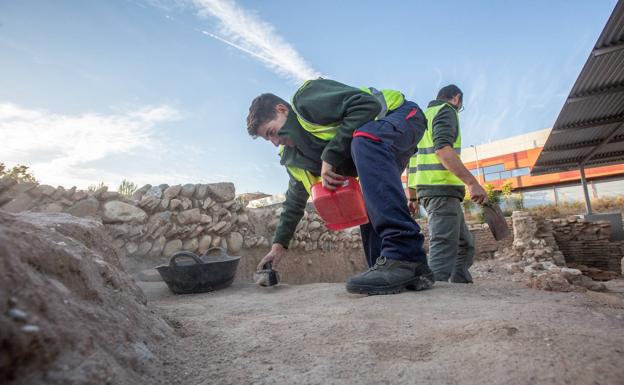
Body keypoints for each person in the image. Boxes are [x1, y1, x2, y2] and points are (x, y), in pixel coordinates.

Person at [246, 78, 434, 295]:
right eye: (267, 139)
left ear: (282, 110)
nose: (275, 142)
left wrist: (330, 156)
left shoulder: (306, 101)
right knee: (367, 196)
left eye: (271, 132)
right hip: (375, 143)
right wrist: (277, 247)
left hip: (400, 116)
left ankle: (405, 256)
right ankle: (393, 268)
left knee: (364, 140)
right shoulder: (294, 158)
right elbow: (293, 204)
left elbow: (367, 105)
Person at [407, 84, 487, 283]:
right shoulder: (446, 111)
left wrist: (412, 195)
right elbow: (442, 149)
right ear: (457, 98)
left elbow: (410, 159)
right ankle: (436, 294)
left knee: (464, 244)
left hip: (431, 190)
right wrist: (472, 182)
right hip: (440, 188)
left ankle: (460, 285)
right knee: (443, 245)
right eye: (460, 104)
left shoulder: (423, 117)